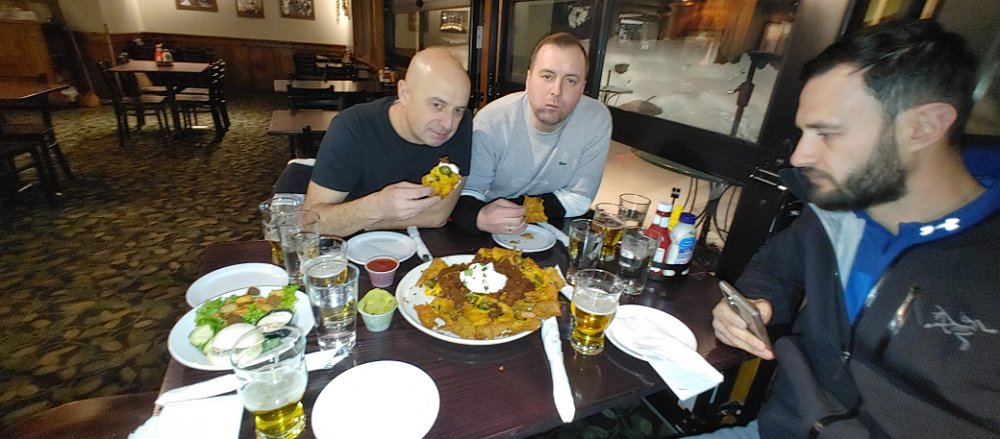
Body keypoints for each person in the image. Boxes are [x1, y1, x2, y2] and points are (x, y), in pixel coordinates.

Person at [707, 20, 1000, 438]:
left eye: (827, 133)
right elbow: (775, 270)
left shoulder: (986, 264)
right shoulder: (837, 211)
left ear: (924, 127)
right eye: (804, 132)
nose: (801, 156)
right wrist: (753, 304)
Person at [452, 32, 612, 234]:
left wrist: (519, 210)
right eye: (547, 76)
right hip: (490, 227)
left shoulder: (595, 119)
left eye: (571, 80)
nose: (556, 91)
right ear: (528, 80)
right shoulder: (491, 121)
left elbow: (579, 199)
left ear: (583, 88)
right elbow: (467, 194)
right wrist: (480, 216)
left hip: (551, 226)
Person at [304, 47, 472, 236]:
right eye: (437, 105)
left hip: (419, 244)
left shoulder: (462, 123)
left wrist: (365, 221)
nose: (448, 124)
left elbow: (438, 216)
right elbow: (310, 222)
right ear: (404, 93)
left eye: (458, 110)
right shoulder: (352, 127)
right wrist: (377, 207)